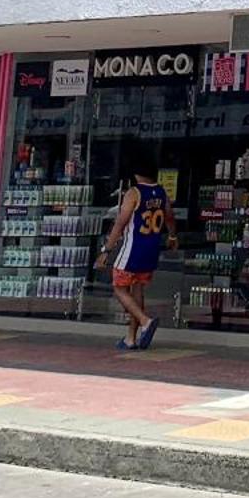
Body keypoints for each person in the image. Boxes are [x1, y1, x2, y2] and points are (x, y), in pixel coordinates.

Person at [95, 145, 176, 351]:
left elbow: (120, 224)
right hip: (151, 250)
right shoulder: (161, 191)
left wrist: (106, 250)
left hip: (132, 249)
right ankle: (131, 337)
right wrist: (173, 235)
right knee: (137, 290)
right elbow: (169, 216)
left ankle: (145, 321)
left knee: (119, 287)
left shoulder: (134, 193)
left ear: (136, 172)